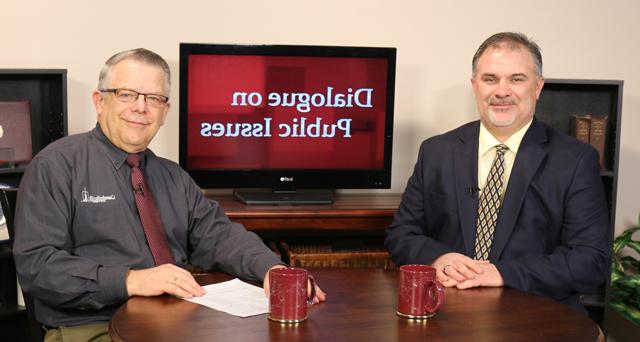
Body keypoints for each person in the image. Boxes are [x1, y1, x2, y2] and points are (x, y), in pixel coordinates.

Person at [12, 48, 325, 341]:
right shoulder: (55, 166)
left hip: (179, 319)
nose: (141, 107)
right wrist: (131, 281)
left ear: (165, 111)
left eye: (154, 98)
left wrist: (272, 269)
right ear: (99, 100)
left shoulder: (173, 176)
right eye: (126, 94)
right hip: (92, 326)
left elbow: (219, 236)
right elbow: (38, 266)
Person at [385, 32, 610, 312]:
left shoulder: (576, 160)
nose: (502, 91)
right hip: (448, 311)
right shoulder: (436, 152)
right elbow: (401, 234)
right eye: (490, 79)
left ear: (537, 87)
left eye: (517, 79)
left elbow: (591, 260)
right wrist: (438, 258)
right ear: (474, 85)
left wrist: (502, 272)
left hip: (538, 315)